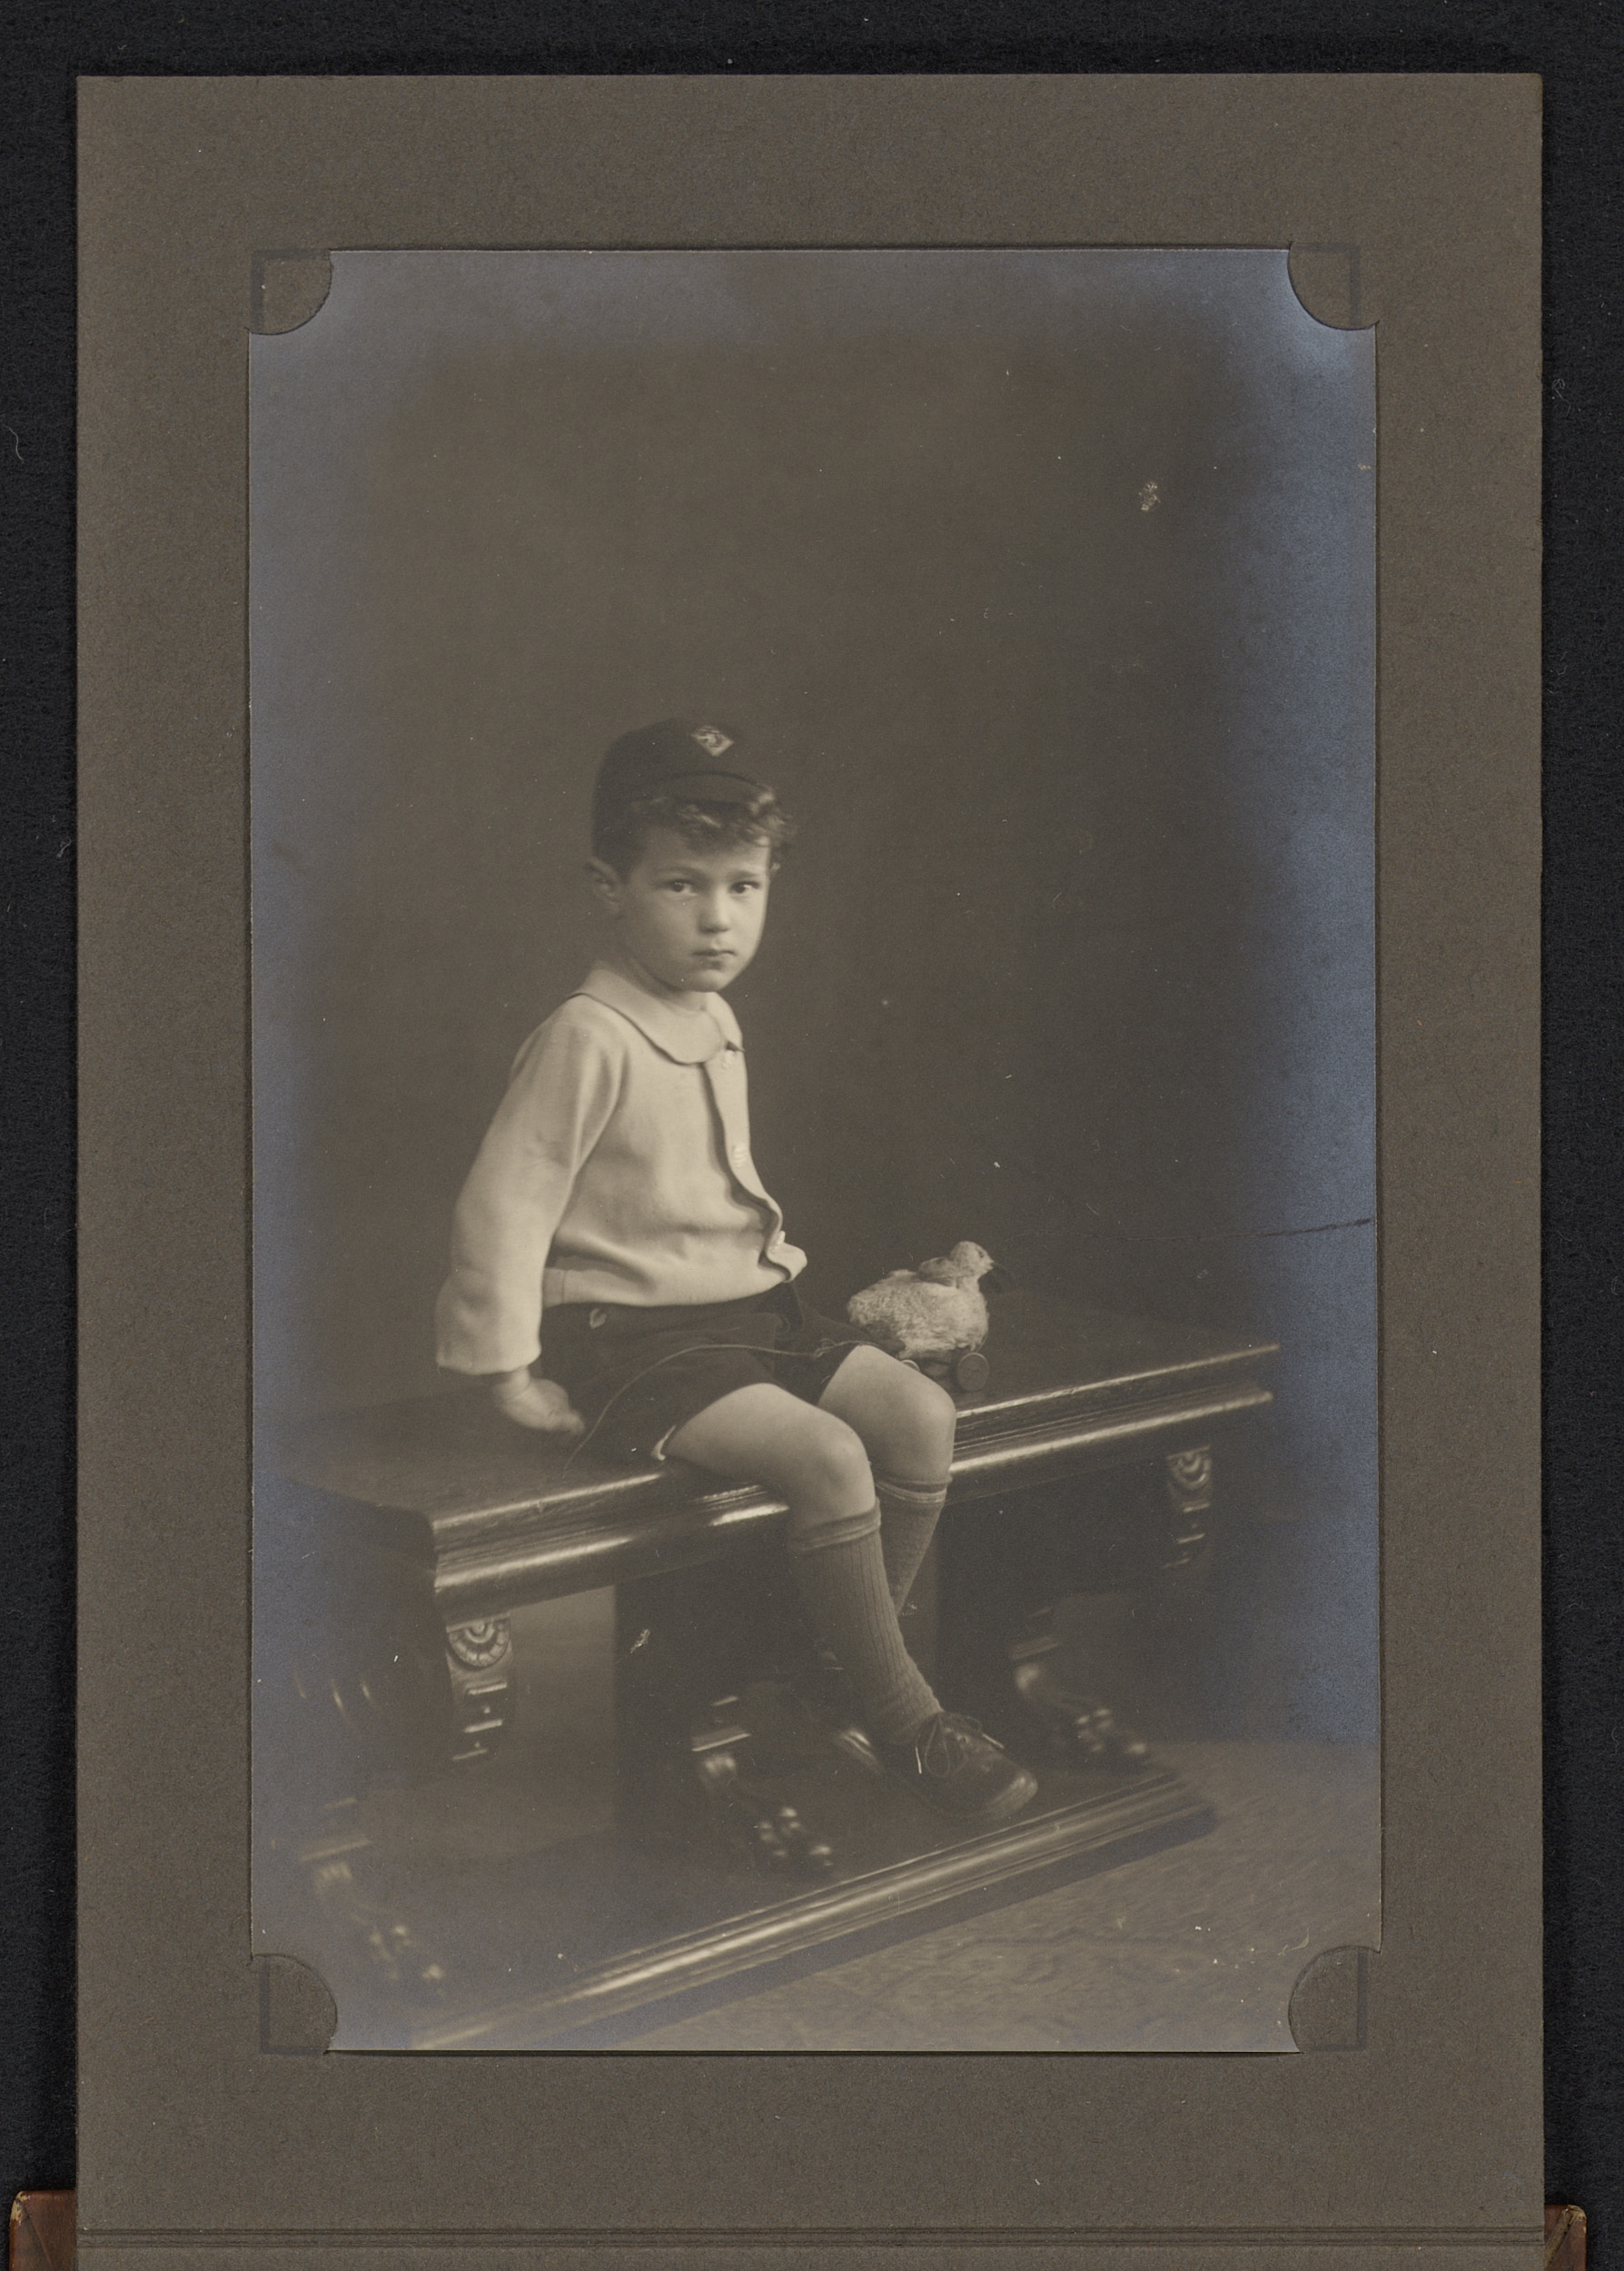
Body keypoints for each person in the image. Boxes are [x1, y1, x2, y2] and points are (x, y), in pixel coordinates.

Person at [435, 718, 1037, 1826]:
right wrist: (507, 1369)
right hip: (629, 1339)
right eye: (681, 885)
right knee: (827, 1456)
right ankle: (906, 1719)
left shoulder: (713, 1015)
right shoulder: (586, 1033)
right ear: (608, 888)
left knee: (919, 1416)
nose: (718, 918)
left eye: (743, 887)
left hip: (748, 1313)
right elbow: (506, 1200)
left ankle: (835, 1677)